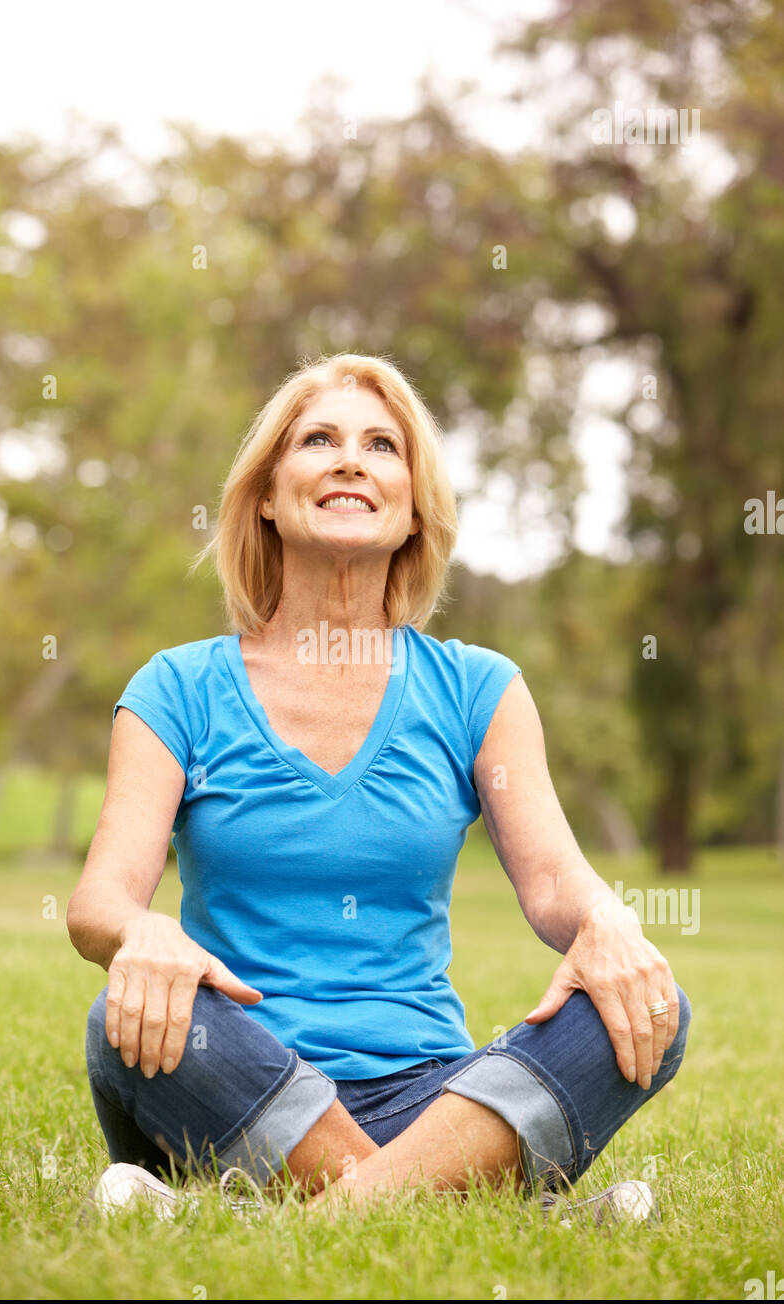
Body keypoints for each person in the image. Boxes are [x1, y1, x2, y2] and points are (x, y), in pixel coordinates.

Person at [66, 352, 690, 1218]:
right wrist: (144, 932)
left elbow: (553, 881)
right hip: (238, 1075)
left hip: (437, 1098)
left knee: (651, 1001)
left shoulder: (480, 688)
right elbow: (99, 903)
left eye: (383, 446)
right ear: (269, 500)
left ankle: (285, 1210)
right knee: (122, 1018)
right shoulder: (176, 689)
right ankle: (485, 1205)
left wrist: (606, 922)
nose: (351, 459)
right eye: (318, 440)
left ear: (411, 514)